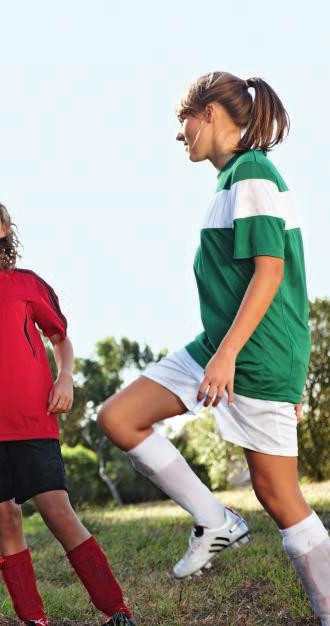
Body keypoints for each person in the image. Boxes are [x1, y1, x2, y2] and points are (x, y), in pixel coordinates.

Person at [97, 72, 329, 624]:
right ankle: (214, 519)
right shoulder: (230, 181)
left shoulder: (253, 172)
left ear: (208, 113)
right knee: (120, 417)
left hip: (251, 355)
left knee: (280, 497)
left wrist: (231, 357)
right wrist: (218, 350)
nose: (180, 136)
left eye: (184, 121)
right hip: (217, 346)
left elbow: (271, 273)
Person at [0, 190, 134, 626]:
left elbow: (60, 338)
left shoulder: (29, 284)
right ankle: (34, 618)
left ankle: (116, 610)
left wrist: (64, 377)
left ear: (4, 229)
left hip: (32, 417)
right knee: (5, 521)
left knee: (58, 510)